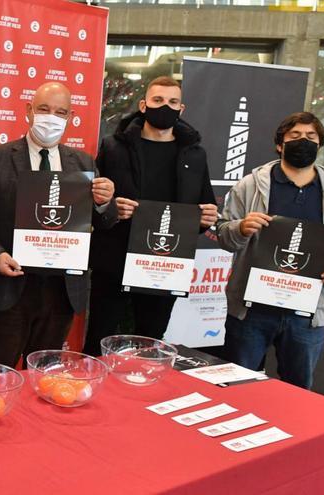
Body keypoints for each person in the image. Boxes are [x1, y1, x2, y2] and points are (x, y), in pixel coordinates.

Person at [0, 82, 118, 368]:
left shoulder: (83, 162)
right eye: (44, 109)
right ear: (29, 111)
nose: (52, 118)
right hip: (9, 288)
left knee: (45, 378)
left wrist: (104, 201)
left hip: (60, 291)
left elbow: (105, 222)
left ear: (70, 117)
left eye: (61, 112)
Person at [84, 76, 217, 355]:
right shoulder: (113, 147)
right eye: (158, 101)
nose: (164, 107)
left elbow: (204, 209)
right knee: (99, 342)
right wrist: (111, 209)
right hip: (114, 264)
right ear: (143, 105)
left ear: (182, 109)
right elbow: (93, 205)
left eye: (172, 102)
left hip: (165, 266)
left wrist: (205, 219)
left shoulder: (195, 155)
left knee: (150, 345)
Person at [217, 112, 324, 389]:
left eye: (310, 137)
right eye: (295, 136)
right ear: (280, 144)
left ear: (320, 144)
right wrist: (241, 228)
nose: (303, 141)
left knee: (298, 392)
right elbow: (224, 234)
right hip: (251, 311)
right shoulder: (250, 186)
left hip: (306, 313)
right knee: (239, 388)